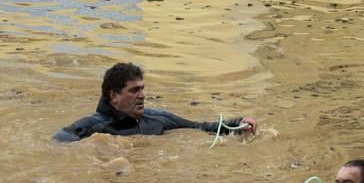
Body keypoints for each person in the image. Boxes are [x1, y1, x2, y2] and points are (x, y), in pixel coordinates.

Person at [53, 62, 257, 142]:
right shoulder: (93, 126)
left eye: (142, 89)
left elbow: (202, 127)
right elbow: (60, 139)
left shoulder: (159, 119)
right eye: (134, 90)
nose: (141, 95)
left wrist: (240, 123)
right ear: (114, 96)